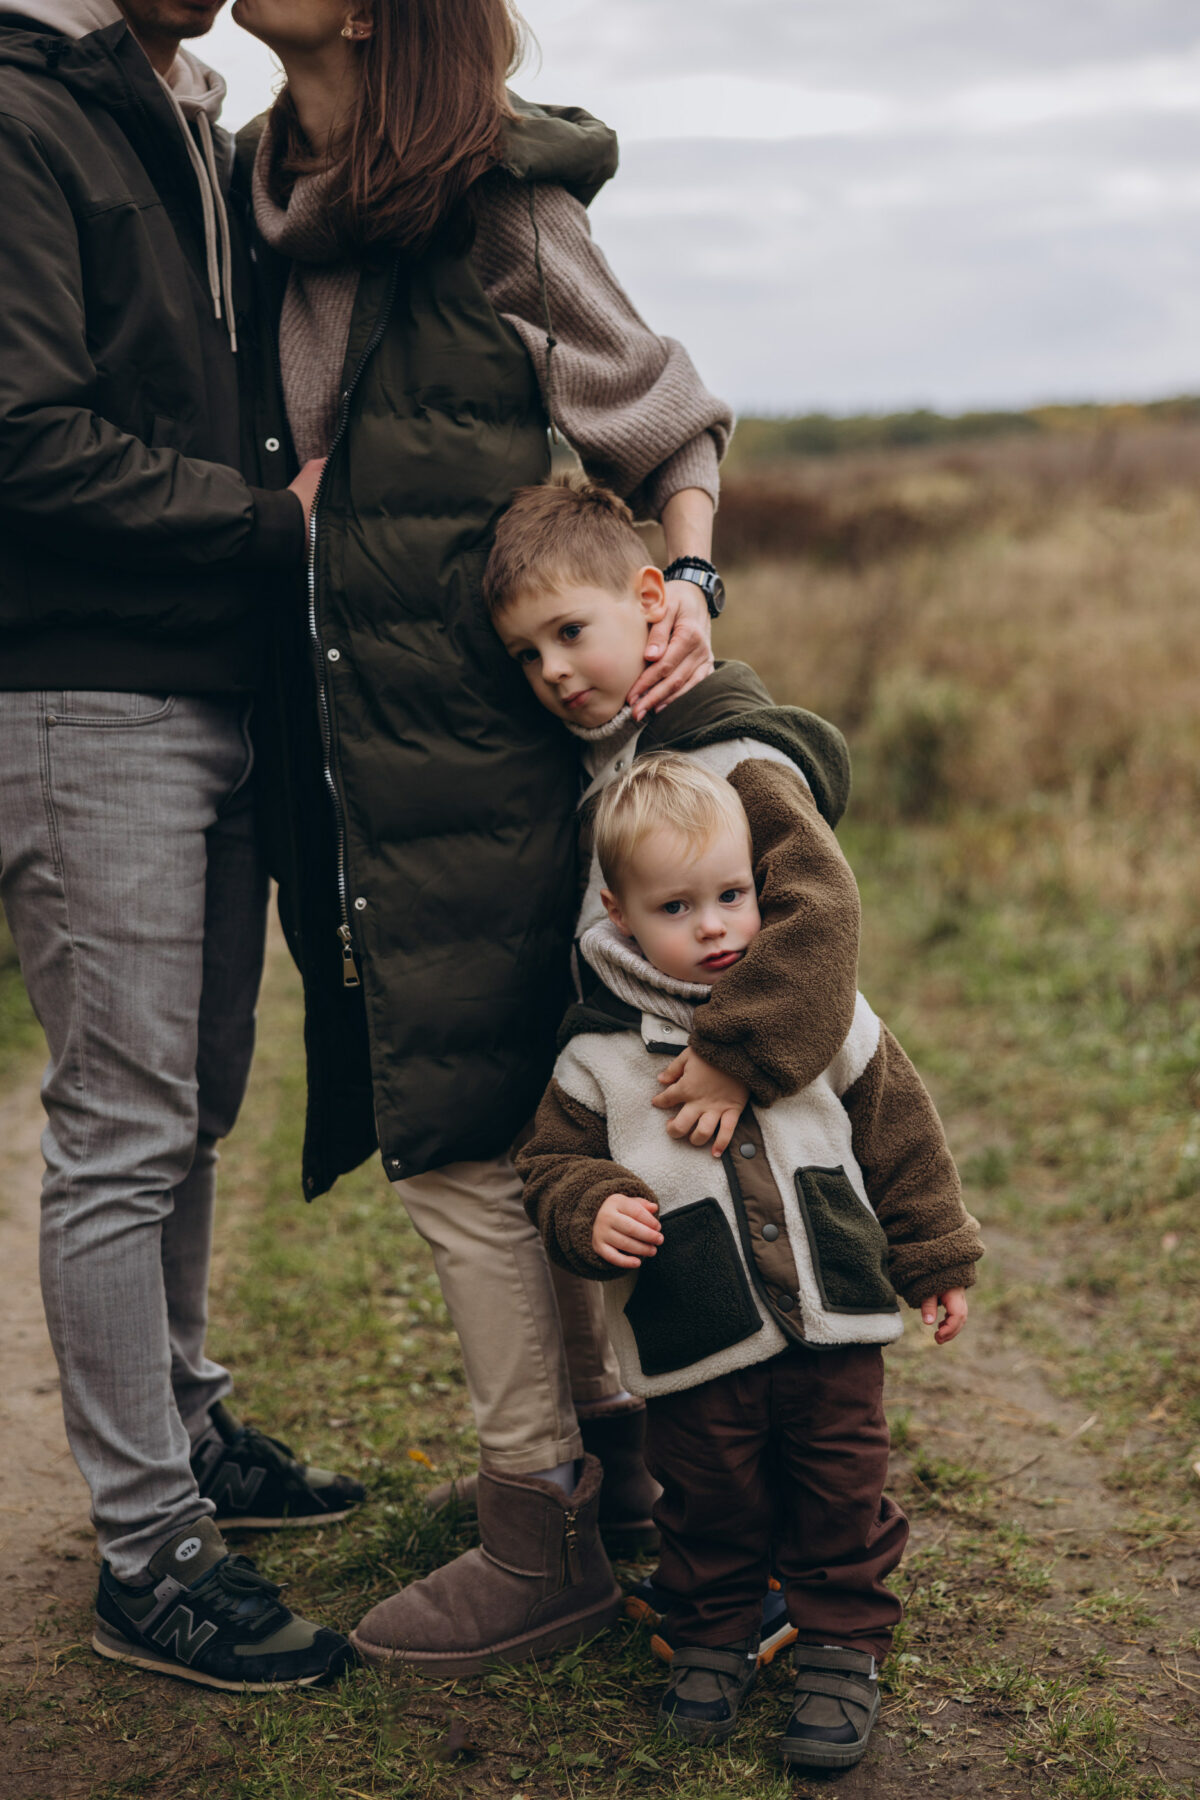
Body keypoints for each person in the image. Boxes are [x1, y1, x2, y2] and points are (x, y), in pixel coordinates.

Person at [231, 0, 736, 1674]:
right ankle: (615, 1470)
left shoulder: (503, 205)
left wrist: (688, 581)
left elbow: (663, 414)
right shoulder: (244, 194)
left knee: (465, 1150)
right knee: (506, 1123)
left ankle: (540, 1531)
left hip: (500, 774)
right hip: (340, 774)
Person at [0, 0, 359, 1690]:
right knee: (122, 1128)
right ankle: (147, 1557)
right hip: (84, 690)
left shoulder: (196, 116)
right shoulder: (20, 111)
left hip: (216, 679)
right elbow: (20, 437)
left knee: (196, 1101)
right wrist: (267, 524)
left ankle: (187, 1426)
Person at [518, 755, 984, 1770]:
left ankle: (841, 1646)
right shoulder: (597, 1057)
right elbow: (549, 1167)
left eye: (733, 895)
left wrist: (936, 1255)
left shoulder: (829, 1018)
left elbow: (903, 1140)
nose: (716, 927)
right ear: (619, 914)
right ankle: (711, 1637)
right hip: (695, 1336)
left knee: (842, 1488)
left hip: (834, 1322)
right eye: (677, 907)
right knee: (706, 1497)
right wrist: (591, 1207)